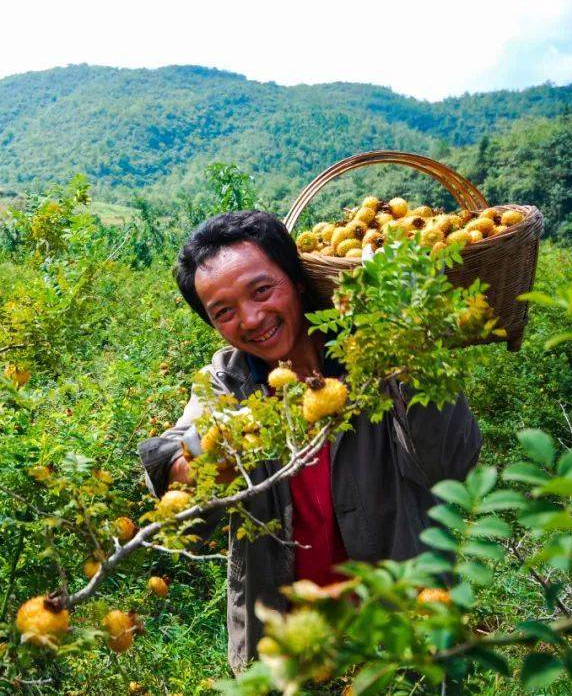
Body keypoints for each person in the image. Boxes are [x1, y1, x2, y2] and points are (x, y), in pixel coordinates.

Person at [138, 210, 481, 673]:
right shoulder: (226, 383)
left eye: (262, 291)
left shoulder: (375, 355)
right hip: (287, 654)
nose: (252, 318)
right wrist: (209, 450)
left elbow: (452, 466)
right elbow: (182, 501)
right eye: (224, 312)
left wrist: (409, 339)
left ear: (297, 281)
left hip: (402, 636)